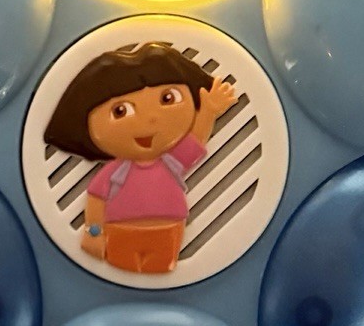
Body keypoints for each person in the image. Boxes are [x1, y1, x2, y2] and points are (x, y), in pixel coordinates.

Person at [42, 42, 241, 274]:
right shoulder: (114, 172)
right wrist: (94, 233)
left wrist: (207, 111)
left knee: (160, 269)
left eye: (167, 98)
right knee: (122, 270)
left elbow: (196, 140)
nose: (150, 119)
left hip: (169, 229)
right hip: (120, 230)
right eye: (120, 111)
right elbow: (96, 199)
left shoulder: (170, 162)